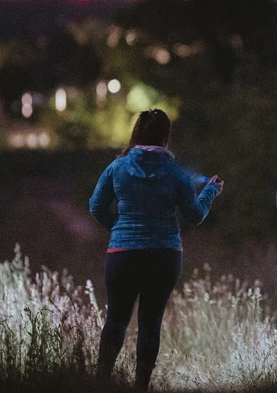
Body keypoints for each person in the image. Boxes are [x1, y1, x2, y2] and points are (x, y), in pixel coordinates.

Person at [89, 108, 224, 390]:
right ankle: (141, 386)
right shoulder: (177, 174)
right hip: (164, 256)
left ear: (136, 133)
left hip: (122, 255)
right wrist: (210, 191)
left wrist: (118, 228)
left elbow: (96, 206)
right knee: (150, 323)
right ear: (166, 137)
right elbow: (195, 215)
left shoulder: (117, 167)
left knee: (116, 319)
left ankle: (100, 383)